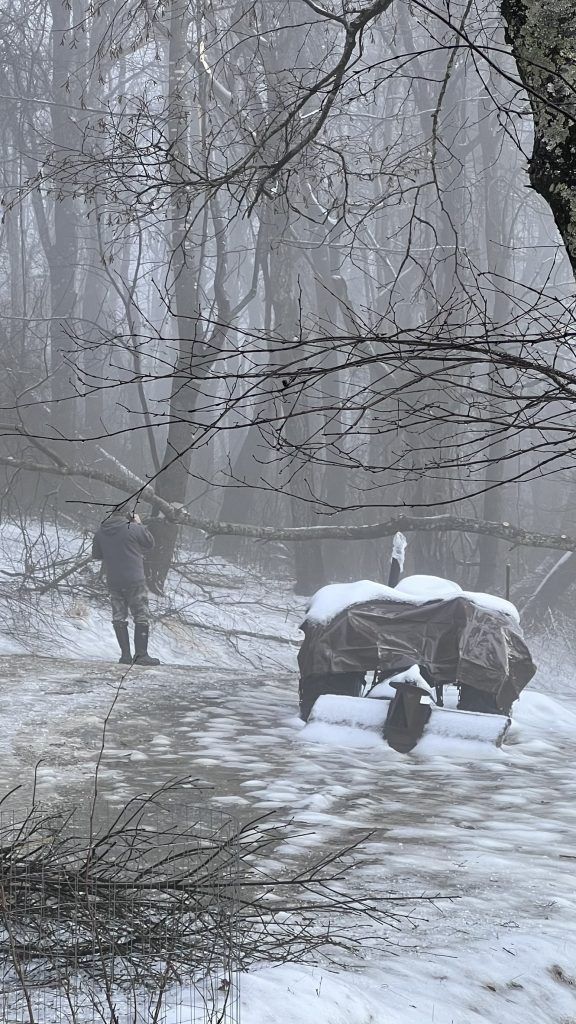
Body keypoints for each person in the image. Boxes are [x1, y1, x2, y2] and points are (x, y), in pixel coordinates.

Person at [92, 508, 160, 666]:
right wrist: (139, 524)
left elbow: (97, 555)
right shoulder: (133, 528)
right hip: (134, 579)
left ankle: (125, 656)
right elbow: (150, 543)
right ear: (127, 515)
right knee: (141, 615)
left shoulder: (101, 532)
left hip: (114, 580)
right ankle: (141, 655)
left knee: (119, 617)